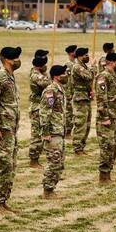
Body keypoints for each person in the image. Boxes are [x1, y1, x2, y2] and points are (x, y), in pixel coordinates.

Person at [0, 46, 22, 213]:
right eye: (15, 57)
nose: (17, 60)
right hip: (2, 129)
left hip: (11, 128)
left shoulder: (10, 76)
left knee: (11, 165)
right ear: (6, 59)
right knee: (4, 165)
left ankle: (3, 200)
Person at [95, 50, 116, 182]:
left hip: (115, 116)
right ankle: (103, 175)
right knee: (107, 146)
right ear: (111, 62)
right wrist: (105, 117)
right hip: (107, 118)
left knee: (113, 147)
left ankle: (108, 173)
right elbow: (101, 98)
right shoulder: (104, 76)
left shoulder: (114, 75)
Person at [40, 64, 68, 197]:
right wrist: (45, 132)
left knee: (59, 161)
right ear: (57, 76)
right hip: (52, 132)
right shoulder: (50, 91)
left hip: (59, 130)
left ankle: (51, 188)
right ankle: (48, 190)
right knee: (54, 161)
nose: (66, 75)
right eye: (64, 73)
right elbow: (45, 112)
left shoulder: (60, 89)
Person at [27, 50, 50, 165]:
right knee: (36, 134)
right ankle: (33, 159)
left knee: (41, 132)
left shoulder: (40, 73)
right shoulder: (36, 76)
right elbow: (49, 84)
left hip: (41, 106)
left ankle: (37, 156)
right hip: (37, 108)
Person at [69, 47, 93, 154]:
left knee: (87, 124)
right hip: (80, 99)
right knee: (80, 124)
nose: (87, 57)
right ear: (80, 56)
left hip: (86, 97)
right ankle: (77, 147)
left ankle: (82, 146)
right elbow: (89, 76)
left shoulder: (83, 66)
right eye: (85, 55)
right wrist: (93, 66)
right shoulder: (77, 67)